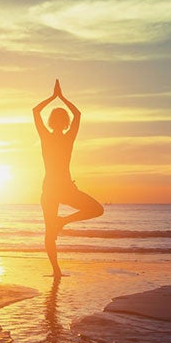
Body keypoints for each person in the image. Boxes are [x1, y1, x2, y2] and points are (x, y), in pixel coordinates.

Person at [32, 83, 104, 269]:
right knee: (96, 209)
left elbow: (36, 111)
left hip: (53, 188)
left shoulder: (47, 137)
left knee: (50, 232)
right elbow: (77, 114)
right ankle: (61, 223)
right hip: (61, 187)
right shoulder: (67, 137)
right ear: (65, 122)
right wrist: (61, 97)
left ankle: (56, 270)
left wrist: (53, 97)